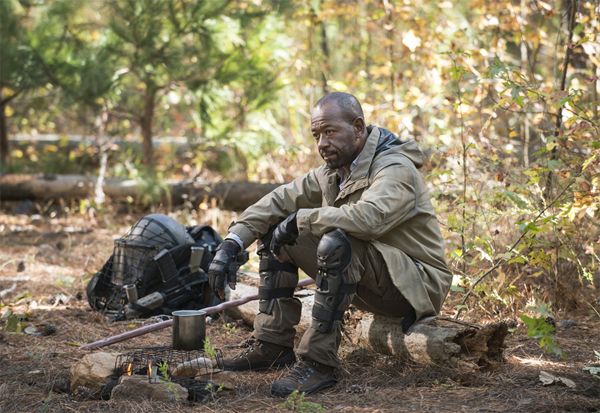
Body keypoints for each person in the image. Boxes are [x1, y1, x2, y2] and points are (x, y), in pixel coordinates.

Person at [207, 92, 452, 396]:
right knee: (275, 235)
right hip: (374, 279)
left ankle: (318, 363)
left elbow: (368, 219)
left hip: (415, 287)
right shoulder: (334, 171)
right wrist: (232, 242)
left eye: (330, 131)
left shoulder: (395, 168)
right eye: (316, 134)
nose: (322, 143)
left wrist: (301, 220)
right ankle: (271, 344)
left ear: (359, 127)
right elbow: (277, 201)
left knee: (337, 241)